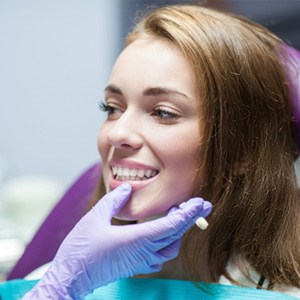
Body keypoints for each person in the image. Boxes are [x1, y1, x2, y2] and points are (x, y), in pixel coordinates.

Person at [1, 3, 300, 299]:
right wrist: (62, 286)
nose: (117, 134)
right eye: (113, 108)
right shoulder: (55, 281)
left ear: (242, 152)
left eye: (163, 112)